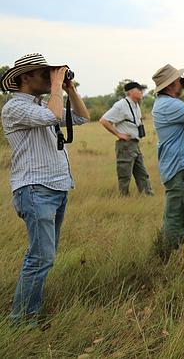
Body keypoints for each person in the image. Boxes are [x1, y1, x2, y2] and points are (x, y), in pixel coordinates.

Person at [1, 53, 90, 324]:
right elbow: (52, 115)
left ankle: (29, 314)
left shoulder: (42, 104)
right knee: (40, 258)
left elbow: (82, 118)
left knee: (43, 257)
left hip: (55, 187)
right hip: (35, 189)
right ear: (25, 77)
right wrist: (55, 86)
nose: (51, 78)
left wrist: (69, 88)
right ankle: (21, 319)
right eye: (45, 74)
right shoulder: (15, 106)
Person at [151, 64, 184, 256]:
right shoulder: (168, 105)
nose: (182, 84)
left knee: (182, 216)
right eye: (180, 81)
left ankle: (165, 254)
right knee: (177, 216)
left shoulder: (166, 103)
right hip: (178, 168)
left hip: (177, 167)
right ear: (171, 85)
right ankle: (164, 257)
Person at [99, 81, 154, 196]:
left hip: (134, 144)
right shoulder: (121, 105)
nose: (141, 91)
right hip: (125, 145)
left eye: (141, 89)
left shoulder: (136, 105)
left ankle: (148, 195)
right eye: (138, 89)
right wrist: (119, 134)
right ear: (130, 92)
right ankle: (123, 198)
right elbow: (104, 120)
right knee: (125, 175)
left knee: (142, 173)